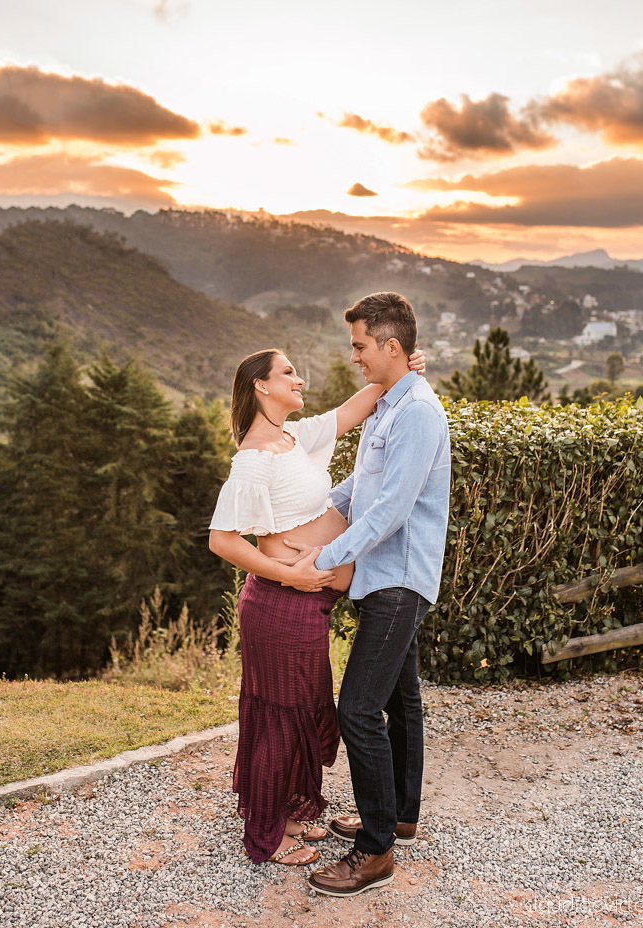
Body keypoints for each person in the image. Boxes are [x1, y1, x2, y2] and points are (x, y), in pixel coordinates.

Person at [208, 344, 425, 867]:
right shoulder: (255, 457)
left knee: (299, 714)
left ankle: (286, 814)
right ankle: (270, 833)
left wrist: (402, 369)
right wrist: (290, 573)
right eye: (288, 373)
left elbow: (356, 409)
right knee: (281, 718)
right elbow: (223, 540)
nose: (299, 379)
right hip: (280, 604)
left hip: (305, 605)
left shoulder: (293, 438)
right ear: (261, 386)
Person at [284, 292, 451, 898]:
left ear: (391, 346)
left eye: (359, 346)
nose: (353, 356)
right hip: (385, 575)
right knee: (401, 701)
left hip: (399, 579)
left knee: (356, 709)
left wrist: (322, 560)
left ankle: (375, 850)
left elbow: (392, 509)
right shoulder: (390, 404)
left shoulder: (418, 413)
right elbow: (363, 485)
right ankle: (400, 815)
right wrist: (309, 512)